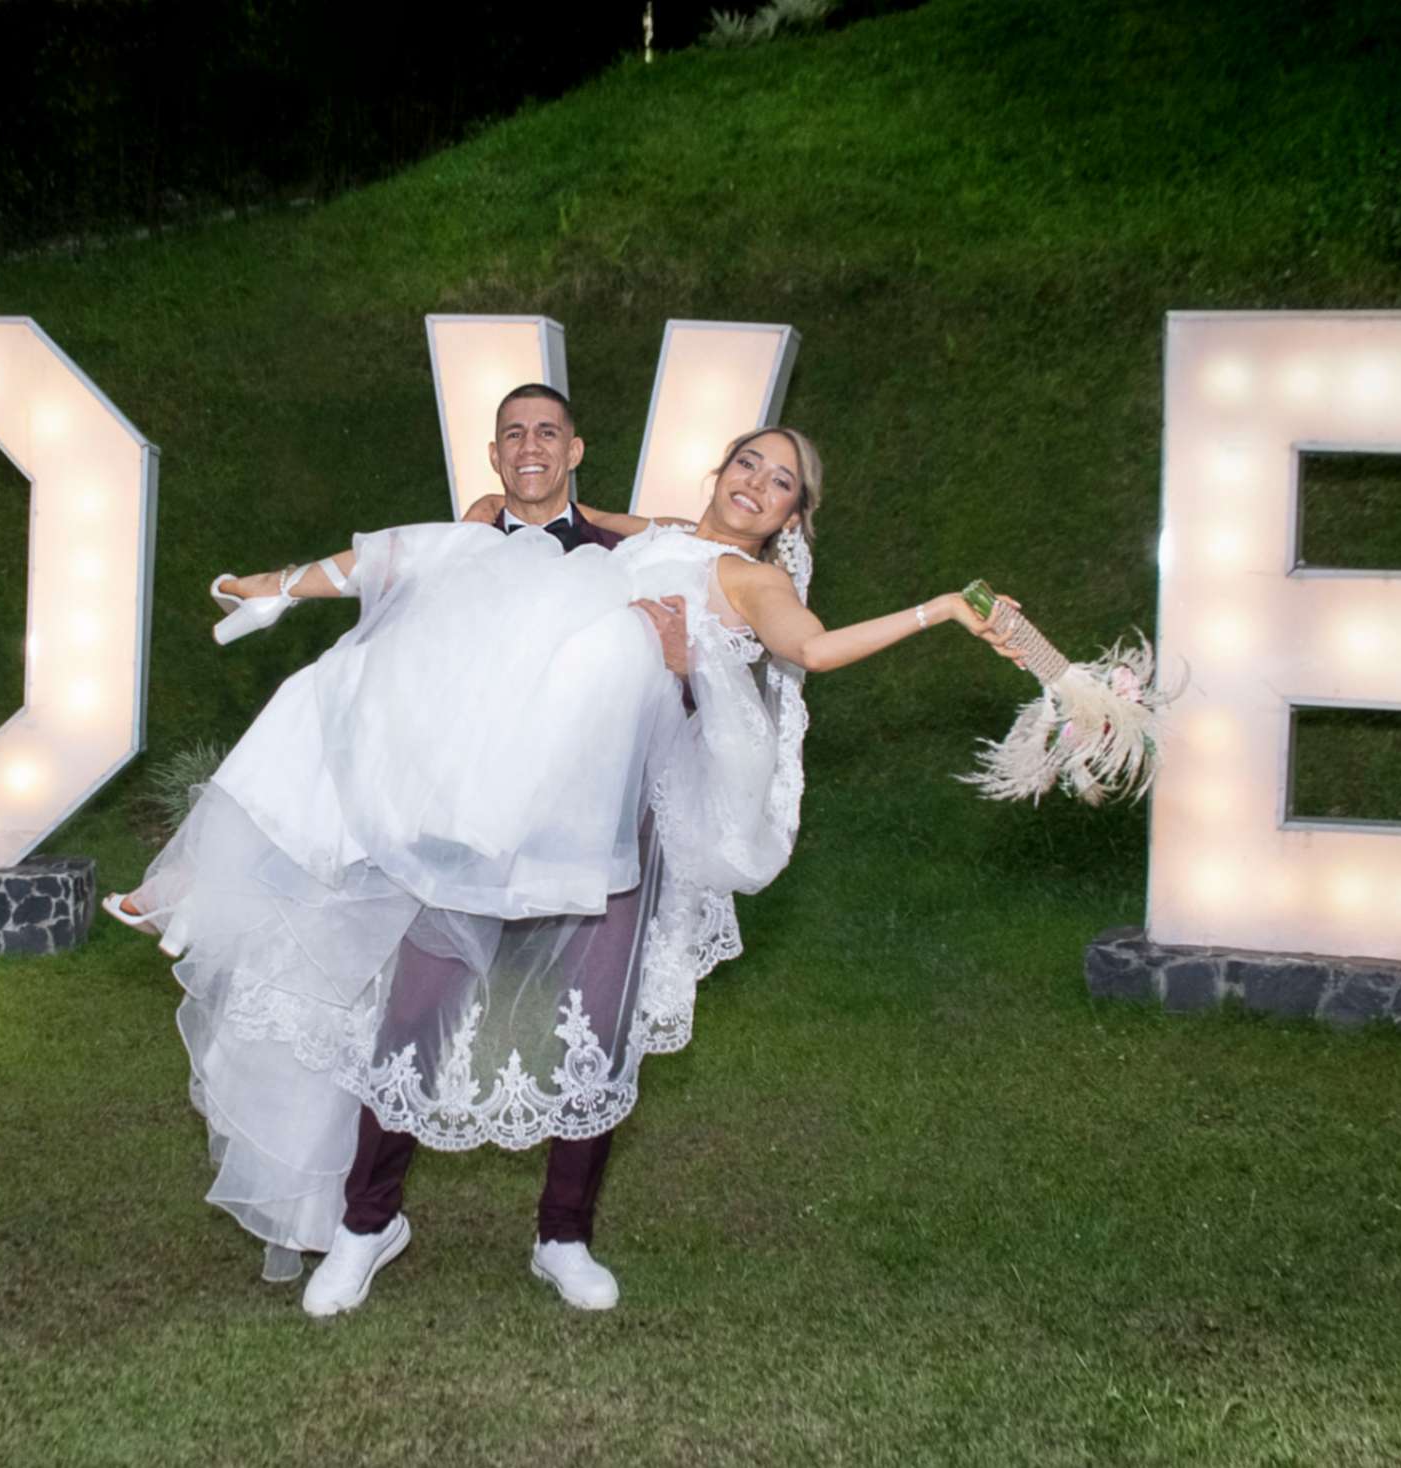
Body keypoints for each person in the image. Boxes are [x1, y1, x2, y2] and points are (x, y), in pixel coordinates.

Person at [114, 392, 1021, 1314]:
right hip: (493, 811)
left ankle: (563, 1236)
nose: (756, 483)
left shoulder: (754, 585)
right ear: (718, 474)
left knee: (596, 1030)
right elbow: (537, 524)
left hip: (614, 831)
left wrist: (940, 609)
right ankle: (365, 1223)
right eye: (747, 463)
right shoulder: (654, 535)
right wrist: (480, 520)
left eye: (780, 482)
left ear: (792, 516)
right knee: (415, 1010)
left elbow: (812, 651)